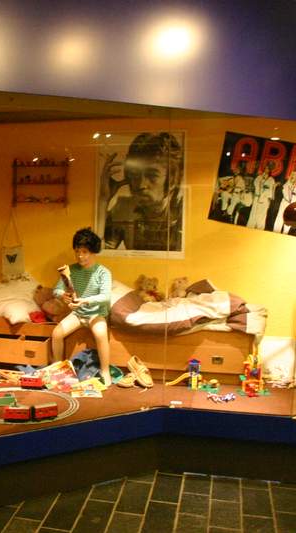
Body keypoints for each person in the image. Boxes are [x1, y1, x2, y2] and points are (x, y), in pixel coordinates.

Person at [98, 132, 184, 251]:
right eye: (135, 175)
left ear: (172, 180)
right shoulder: (124, 208)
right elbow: (100, 252)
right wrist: (103, 199)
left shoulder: (182, 211)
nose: (141, 185)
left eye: (152, 175)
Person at [51, 228, 113, 385]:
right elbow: (56, 289)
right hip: (78, 314)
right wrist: (62, 295)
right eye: (77, 251)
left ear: (93, 252)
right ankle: (57, 368)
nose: (80, 255)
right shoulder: (70, 270)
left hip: (96, 314)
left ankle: (105, 371)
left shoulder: (103, 272)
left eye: (85, 252)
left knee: (100, 333)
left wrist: (85, 301)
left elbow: (106, 297)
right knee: (56, 333)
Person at [273, 169, 296, 233]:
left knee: (288, 220)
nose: (293, 176)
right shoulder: (287, 182)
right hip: (285, 202)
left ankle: (285, 233)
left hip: (291, 205)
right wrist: (290, 183)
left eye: (295, 175)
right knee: (280, 217)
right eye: (292, 174)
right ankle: (276, 232)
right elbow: (284, 191)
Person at [247, 165, 275, 230]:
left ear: (270, 171)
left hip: (265, 200)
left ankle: (260, 228)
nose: (266, 170)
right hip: (257, 197)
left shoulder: (271, 180)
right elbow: (255, 185)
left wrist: (269, 201)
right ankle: (250, 227)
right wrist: (262, 178)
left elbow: (271, 190)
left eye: (268, 169)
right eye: (265, 168)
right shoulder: (259, 177)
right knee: (253, 213)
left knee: (262, 215)